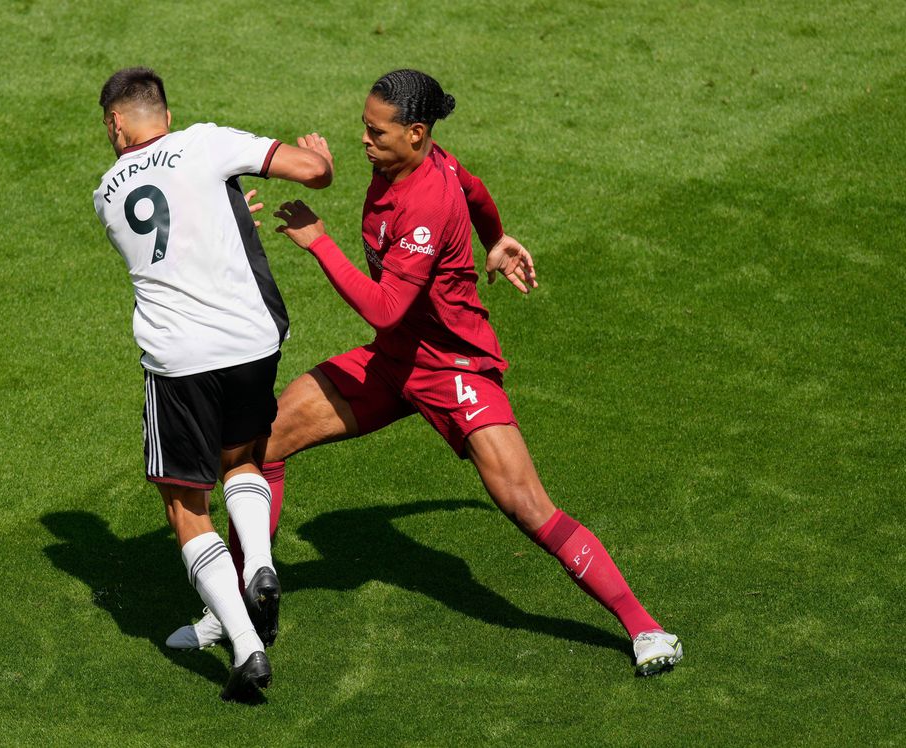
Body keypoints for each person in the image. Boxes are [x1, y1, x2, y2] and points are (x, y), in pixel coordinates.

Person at [167, 69, 683, 677]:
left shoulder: (426, 203)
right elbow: (480, 191)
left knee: (525, 504)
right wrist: (495, 238)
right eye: (363, 126)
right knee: (265, 441)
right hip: (392, 361)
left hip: (453, 368)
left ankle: (646, 629)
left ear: (416, 133)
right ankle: (231, 607)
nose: (365, 140)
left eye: (376, 132)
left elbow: (384, 305)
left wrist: (319, 242)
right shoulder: (416, 164)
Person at [92, 66, 333, 701]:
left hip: (180, 359)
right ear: (164, 115)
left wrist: (221, 214)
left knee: (184, 506)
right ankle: (259, 564)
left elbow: (168, 248)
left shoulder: (107, 193)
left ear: (117, 125)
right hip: (253, 341)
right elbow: (313, 172)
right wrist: (320, 158)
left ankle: (247, 649)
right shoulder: (206, 141)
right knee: (245, 457)